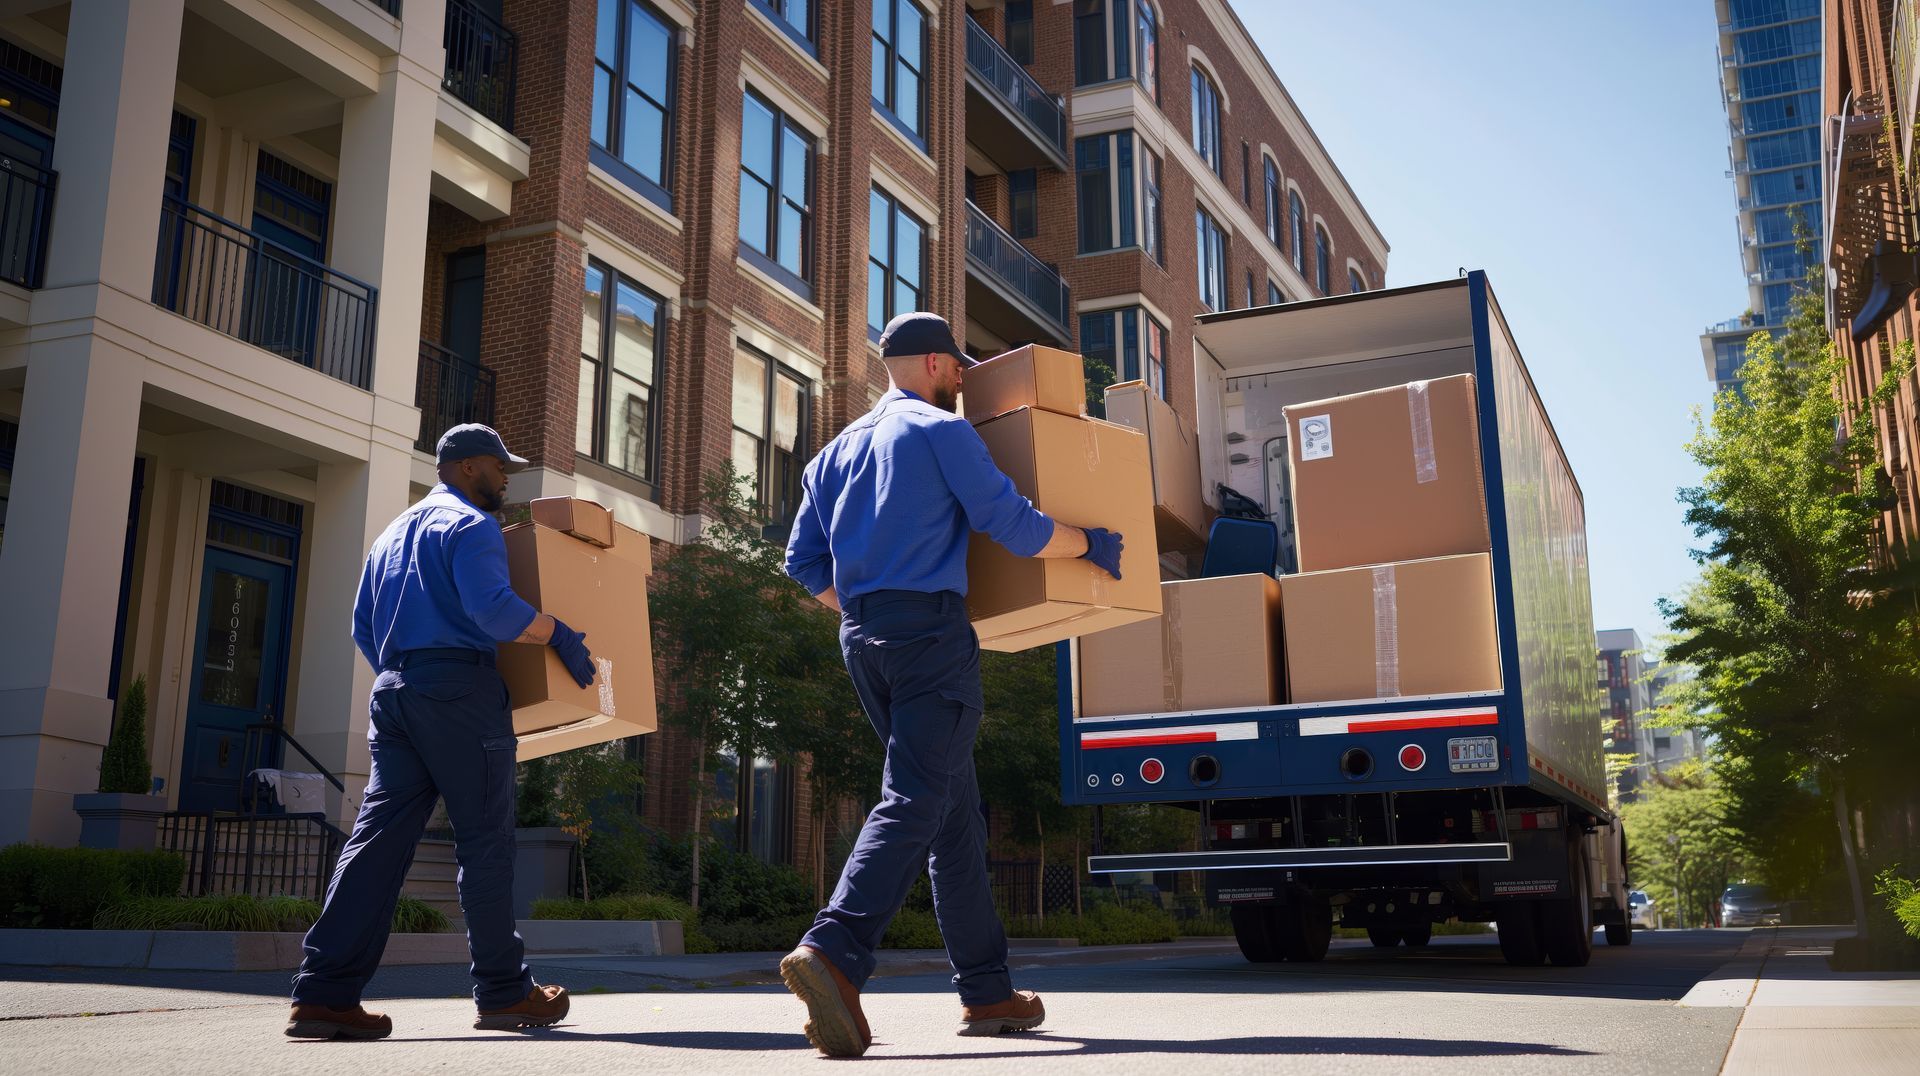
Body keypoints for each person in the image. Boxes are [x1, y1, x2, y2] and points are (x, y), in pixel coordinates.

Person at [778, 312, 1126, 1057]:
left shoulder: (831, 454)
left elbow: (804, 566)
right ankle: (834, 950)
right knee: (915, 797)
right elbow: (1018, 527)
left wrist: (873, 609)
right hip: (931, 638)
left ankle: (987, 989)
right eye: (959, 368)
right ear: (934, 363)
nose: (965, 379)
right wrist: (1091, 544)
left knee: (954, 815)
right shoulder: (941, 434)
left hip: (864, 640)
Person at [286, 424, 598, 1040]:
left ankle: (322, 994)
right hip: (461, 693)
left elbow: (362, 627)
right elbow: (494, 611)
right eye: (496, 466)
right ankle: (506, 994)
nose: (505, 477)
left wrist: (411, 676)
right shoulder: (471, 526)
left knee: (375, 845)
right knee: (485, 844)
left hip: (396, 692)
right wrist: (557, 632)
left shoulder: (391, 535)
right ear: (462, 468)